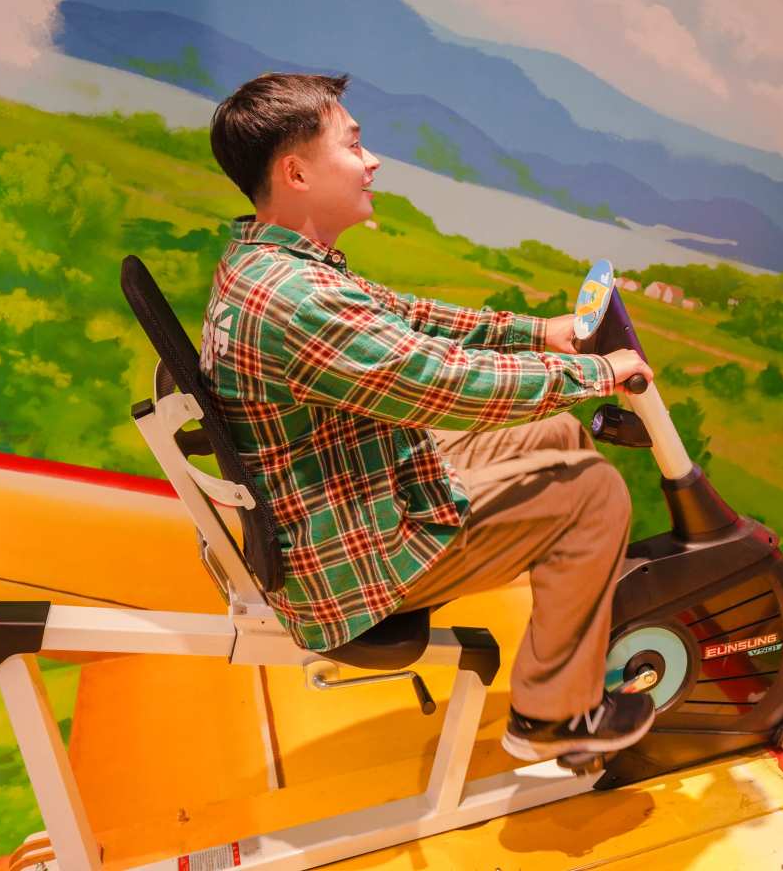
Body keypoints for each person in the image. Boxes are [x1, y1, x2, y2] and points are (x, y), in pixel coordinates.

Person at [199, 71, 655, 761]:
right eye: (353, 145)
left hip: (347, 497)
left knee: (559, 432)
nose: (372, 160)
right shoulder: (301, 300)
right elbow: (446, 383)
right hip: (352, 559)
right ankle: (554, 717)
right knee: (595, 494)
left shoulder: (271, 260)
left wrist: (535, 332)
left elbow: (405, 318)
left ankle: (572, 641)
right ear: (296, 173)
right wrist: (598, 373)